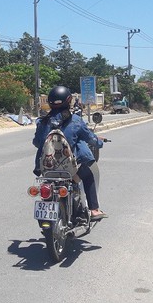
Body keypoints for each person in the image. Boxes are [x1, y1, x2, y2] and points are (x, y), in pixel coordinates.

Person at [32, 85, 108, 220]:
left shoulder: (42, 122)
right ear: (69, 100)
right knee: (89, 173)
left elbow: (37, 143)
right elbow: (91, 139)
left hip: (46, 168)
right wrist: (100, 143)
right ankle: (94, 210)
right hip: (69, 168)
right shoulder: (76, 121)